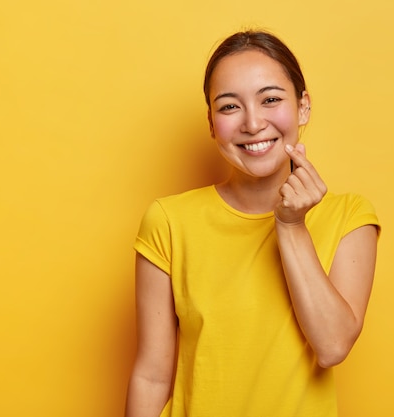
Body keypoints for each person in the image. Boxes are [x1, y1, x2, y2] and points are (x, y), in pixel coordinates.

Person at [125, 30, 380, 417]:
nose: (253, 123)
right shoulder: (168, 221)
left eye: (271, 99)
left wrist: (292, 226)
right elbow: (151, 375)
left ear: (303, 107)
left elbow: (332, 346)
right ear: (211, 123)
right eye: (229, 107)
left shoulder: (350, 217)